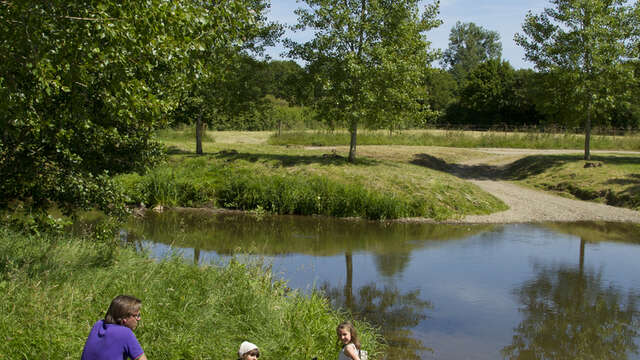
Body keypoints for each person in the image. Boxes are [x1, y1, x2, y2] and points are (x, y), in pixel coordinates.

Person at [81, 295, 148, 360]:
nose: (139, 319)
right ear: (125, 318)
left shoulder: (98, 325)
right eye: (137, 315)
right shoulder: (125, 333)